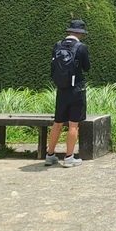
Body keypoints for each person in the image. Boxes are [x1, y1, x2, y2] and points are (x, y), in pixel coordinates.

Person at [45, 19, 91, 167]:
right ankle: (69, 157)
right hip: (76, 89)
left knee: (57, 123)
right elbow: (87, 67)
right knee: (73, 125)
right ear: (80, 33)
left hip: (61, 89)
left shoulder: (57, 45)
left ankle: (50, 155)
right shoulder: (81, 47)